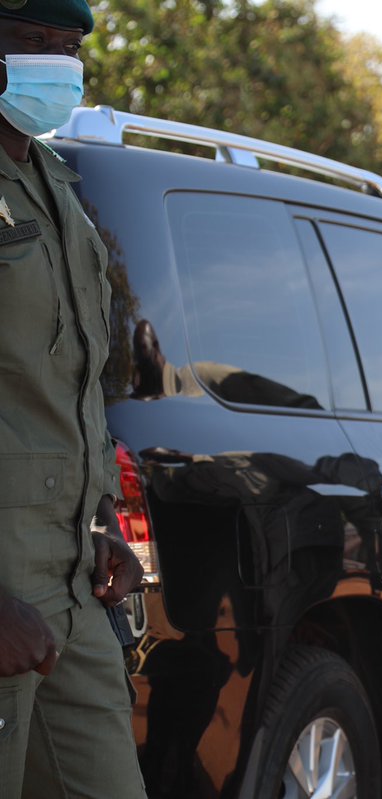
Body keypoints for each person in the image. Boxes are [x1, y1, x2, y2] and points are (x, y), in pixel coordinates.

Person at [0, 3, 147, 798]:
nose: (55, 64)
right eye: (30, 43)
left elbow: (66, 384)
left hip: (70, 579)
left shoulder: (54, 179)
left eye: (67, 47)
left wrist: (100, 525)